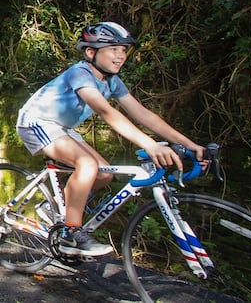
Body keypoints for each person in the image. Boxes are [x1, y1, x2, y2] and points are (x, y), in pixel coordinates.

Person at [16, 22, 205, 256]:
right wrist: (149, 144)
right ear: (90, 52)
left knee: (104, 173)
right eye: (114, 49)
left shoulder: (112, 81)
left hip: (62, 127)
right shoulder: (80, 73)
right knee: (87, 164)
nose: (121, 56)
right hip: (36, 122)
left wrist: (189, 144)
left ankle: (59, 207)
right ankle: (70, 233)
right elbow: (107, 112)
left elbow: (143, 114)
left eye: (124, 50)